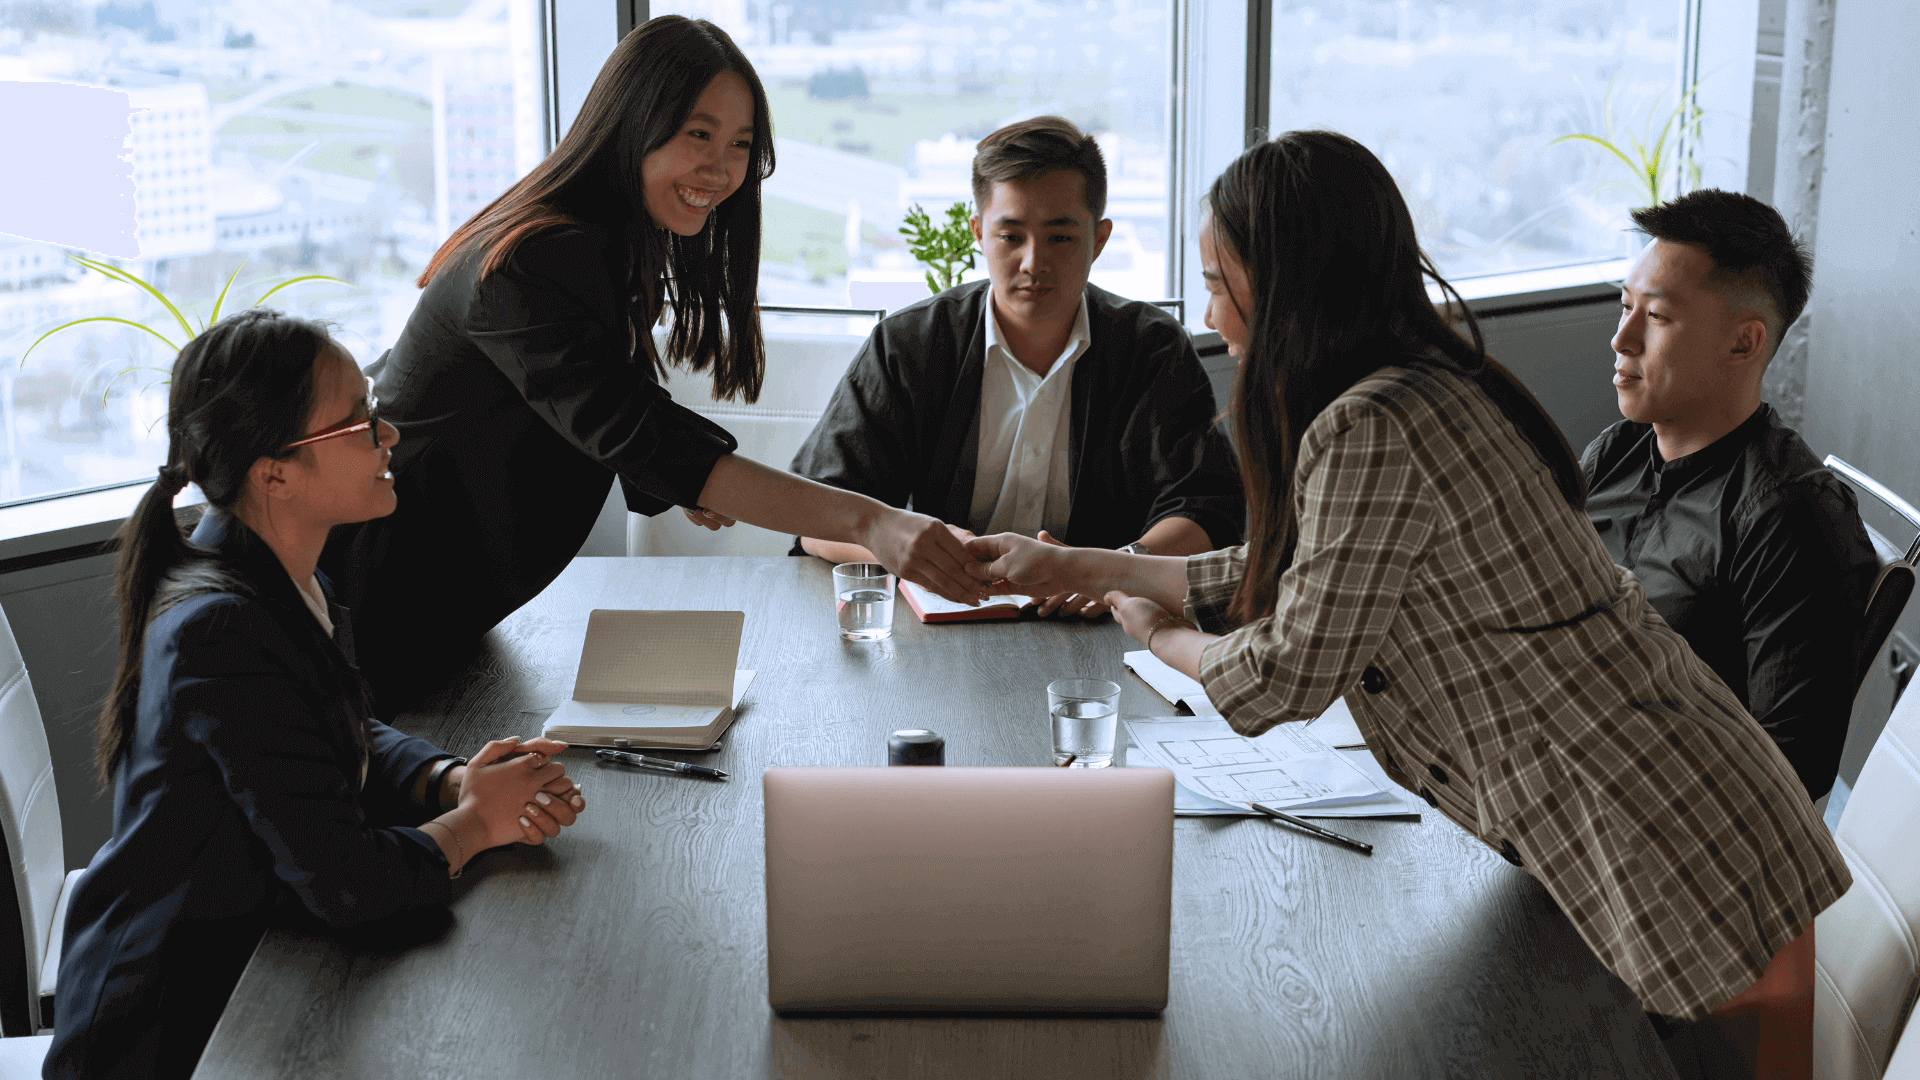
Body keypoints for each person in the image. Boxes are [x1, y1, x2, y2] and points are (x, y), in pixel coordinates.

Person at [970, 132, 1849, 1080]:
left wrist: (1157, 633)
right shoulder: (1416, 390)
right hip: (1658, 824)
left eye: (1218, 282)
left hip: (1672, 850)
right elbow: (1302, 575)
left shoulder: (1371, 424)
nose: (1211, 310)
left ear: (1282, 284)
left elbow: (1281, 676)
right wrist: (1110, 570)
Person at [320, 16, 988, 714]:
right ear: (631, 121)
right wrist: (873, 523)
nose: (722, 169)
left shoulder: (598, 246)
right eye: (698, 134)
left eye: (740, 145)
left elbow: (605, 400)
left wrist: (678, 481)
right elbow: (634, 430)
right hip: (370, 616)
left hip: (443, 613)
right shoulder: (539, 258)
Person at [45, 311, 585, 1080]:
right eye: (360, 421)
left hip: (251, 969)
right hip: (170, 1027)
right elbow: (348, 882)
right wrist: (475, 825)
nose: (388, 434)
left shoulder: (285, 576)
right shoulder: (219, 629)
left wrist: (451, 779)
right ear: (276, 474)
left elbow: (338, 726)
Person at [789, 116, 1242, 617]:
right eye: (1010, 236)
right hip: (939, 632)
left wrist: (1115, 568)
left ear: (1099, 239)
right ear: (979, 233)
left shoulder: (1150, 349)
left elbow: (1207, 512)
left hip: (1108, 629)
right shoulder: (912, 344)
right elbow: (815, 513)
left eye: (1060, 238)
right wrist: (906, 548)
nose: (1033, 262)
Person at [1583, 189, 1876, 803]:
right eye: (1625, 308)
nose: (1622, 340)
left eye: (1656, 318)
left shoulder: (1790, 515)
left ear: (1743, 343)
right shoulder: (1616, 454)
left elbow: (1791, 768)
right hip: (1555, 782)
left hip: (1667, 840)